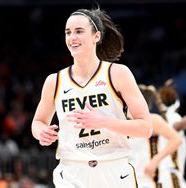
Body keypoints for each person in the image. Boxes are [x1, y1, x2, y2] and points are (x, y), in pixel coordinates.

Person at [31, 7, 153, 188]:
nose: (72, 37)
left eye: (79, 31)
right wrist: (42, 132)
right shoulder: (54, 81)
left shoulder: (117, 74)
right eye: (68, 32)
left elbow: (145, 128)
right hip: (71, 171)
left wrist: (103, 122)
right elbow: (37, 122)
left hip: (114, 170)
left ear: (96, 36)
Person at [128, 84, 182, 188]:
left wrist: (155, 161)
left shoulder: (153, 120)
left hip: (149, 179)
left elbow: (176, 139)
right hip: (130, 178)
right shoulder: (125, 121)